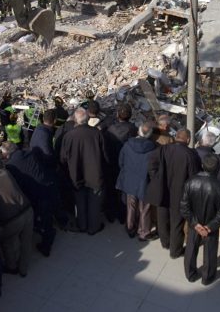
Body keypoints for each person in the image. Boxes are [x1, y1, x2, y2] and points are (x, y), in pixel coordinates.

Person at [145, 129, 201, 259]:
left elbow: (151, 164)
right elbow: (194, 177)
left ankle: (165, 243)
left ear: (176, 137)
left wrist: (156, 178)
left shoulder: (163, 149)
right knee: (177, 223)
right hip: (180, 194)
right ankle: (175, 251)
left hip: (162, 190)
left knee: (162, 217)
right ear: (188, 139)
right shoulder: (190, 154)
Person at [1, 141, 58, 257]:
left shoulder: (10, 166)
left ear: (7, 154)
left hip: (37, 193)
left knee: (44, 217)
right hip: (47, 185)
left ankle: (47, 243)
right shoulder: (29, 153)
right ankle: (48, 230)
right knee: (47, 215)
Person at [180, 154, 220, 285]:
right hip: (211, 225)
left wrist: (195, 224)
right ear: (217, 168)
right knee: (210, 252)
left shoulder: (191, 181)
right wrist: (209, 227)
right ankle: (207, 277)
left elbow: (184, 207)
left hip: (194, 223)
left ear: (202, 165)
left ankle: (190, 274)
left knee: (191, 248)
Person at [59, 107, 107, 235]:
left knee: (80, 202)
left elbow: (63, 158)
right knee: (94, 203)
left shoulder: (68, 136)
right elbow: (104, 155)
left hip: (76, 175)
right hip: (95, 175)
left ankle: (82, 225)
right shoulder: (97, 133)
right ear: (88, 120)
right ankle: (93, 227)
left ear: (76, 120)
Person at [0, 165, 34, 276]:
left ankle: (12, 267)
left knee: (7, 243)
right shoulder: (5, 173)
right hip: (28, 210)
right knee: (26, 241)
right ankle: (23, 269)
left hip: (12, 220)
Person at [117, 122, 158, 241]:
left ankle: (130, 228)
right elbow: (154, 169)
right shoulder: (154, 149)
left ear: (138, 132)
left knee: (130, 205)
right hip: (145, 182)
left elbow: (121, 162)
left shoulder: (127, 145)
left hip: (130, 180)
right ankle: (144, 232)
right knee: (145, 208)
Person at [103, 103, 138, 224]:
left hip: (112, 163)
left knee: (111, 189)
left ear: (117, 115)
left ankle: (111, 214)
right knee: (124, 191)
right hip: (127, 164)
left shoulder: (110, 130)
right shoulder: (133, 129)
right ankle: (123, 216)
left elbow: (105, 147)